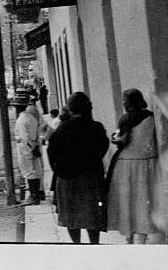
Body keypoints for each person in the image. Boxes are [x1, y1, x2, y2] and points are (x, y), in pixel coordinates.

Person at [47, 92, 109, 244]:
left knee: (71, 216)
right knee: (92, 216)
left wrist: (61, 171)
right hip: (90, 178)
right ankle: (94, 245)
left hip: (67, 180)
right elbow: (103, 147)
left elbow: (52, 153)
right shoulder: (96, 127)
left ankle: (77, 245)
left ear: (70, 109)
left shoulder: (62, 129)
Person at [106, 88, 159, 244]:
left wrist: (114, 138)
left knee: (128, 201)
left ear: (126, 103)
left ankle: (128, 237)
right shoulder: (151, 116)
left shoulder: (126, 119)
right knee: (145, 200)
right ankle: (142, 237)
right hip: (149, 163)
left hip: (128, 164)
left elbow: (121, 139)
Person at [15, 99, 45, 205]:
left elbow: (24, 137)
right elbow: (37, 132)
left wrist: (30, 148)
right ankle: (38, 194)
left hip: (25, 147)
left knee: (28, 172)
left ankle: (33, 196)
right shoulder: (32, 118)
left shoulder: (21, 120)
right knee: (36, 170)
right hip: (34, 144)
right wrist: (36, 146)